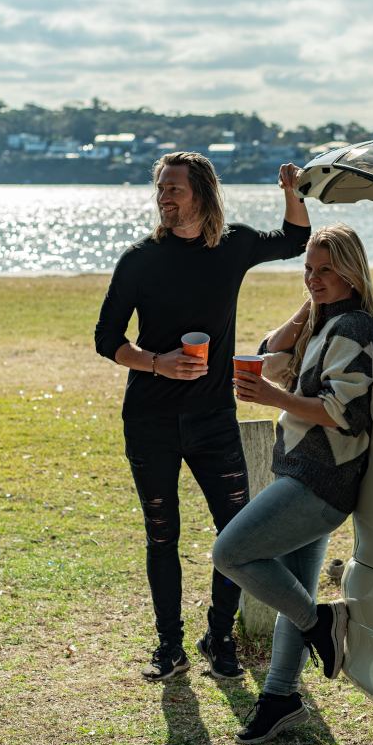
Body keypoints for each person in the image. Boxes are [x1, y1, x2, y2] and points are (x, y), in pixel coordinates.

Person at [93, 153, 311, 682]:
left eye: (175, 189)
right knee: (162, 533)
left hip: (214, 419)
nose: (165, 197)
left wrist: (292, 189)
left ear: (203, 195)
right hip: (150, 421)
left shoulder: (232, 245)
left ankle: (219, 635)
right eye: (161, 189)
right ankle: (169, 646)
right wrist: (156, 363)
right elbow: (106, 339)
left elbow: (294, 239)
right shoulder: (139, 260)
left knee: (233, 534)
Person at [213, 223, 373, 745]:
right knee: (293, 589)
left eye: (327, 269)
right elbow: (270, 354)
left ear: (352, 273)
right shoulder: (326, 320)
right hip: (301, 471)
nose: (313, 277)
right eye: (308, 268)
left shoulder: (353, 326)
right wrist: (307, 307)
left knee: (231, 553)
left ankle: (319, 626)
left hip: (321, 479)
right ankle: (281, 696)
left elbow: (346, 413)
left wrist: (273, 399)